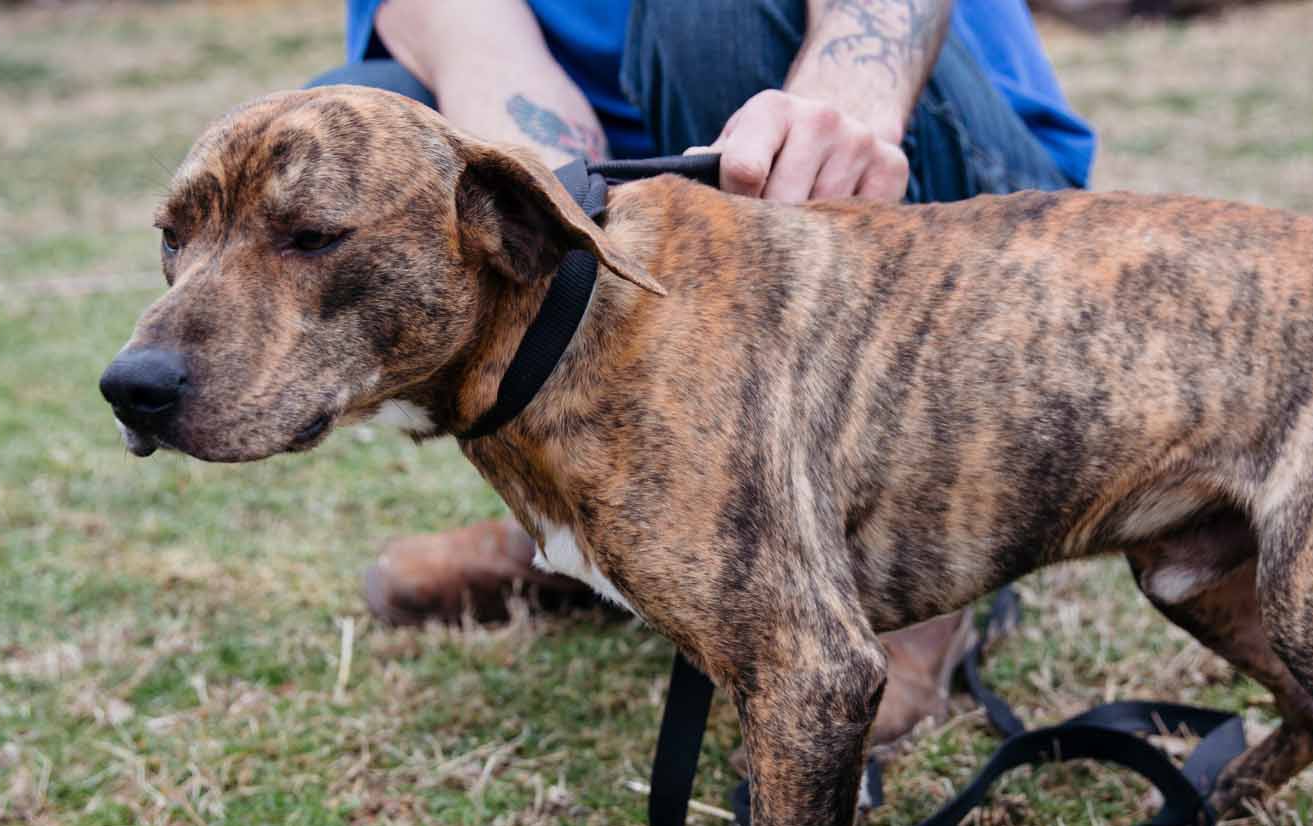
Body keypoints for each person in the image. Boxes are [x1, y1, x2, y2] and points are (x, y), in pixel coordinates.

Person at [315, 0, 1095, 747]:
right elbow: (461, 29)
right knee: (353, 128)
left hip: (945, 174)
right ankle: (586, 520)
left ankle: (899, 545)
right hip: (652, 180)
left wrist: (847, 100)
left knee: (712, 12)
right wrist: (546, 179)